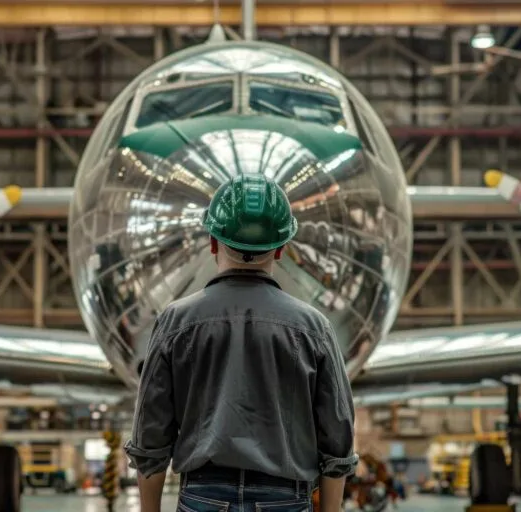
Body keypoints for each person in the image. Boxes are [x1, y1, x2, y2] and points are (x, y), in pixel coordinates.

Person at [124, 174, 358, 512]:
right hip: (286, 499)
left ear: (213, 242)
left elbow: (151, 433)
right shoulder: (313, 327)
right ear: (281, 249)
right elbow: (337, 435)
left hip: (203, 495)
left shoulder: (175, 322)